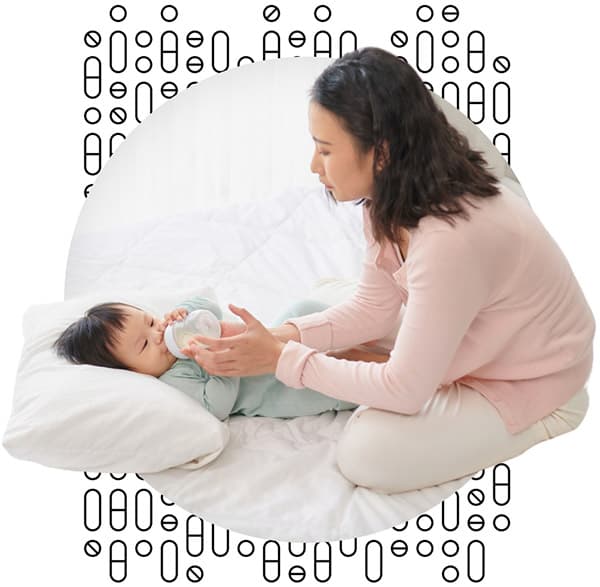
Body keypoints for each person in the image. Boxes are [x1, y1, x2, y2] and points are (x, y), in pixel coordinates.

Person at [182, 47, 595, 494]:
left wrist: (282, 359)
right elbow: (373, 308)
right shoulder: (394, 197)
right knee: (306, 312)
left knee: (366, 454)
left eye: (325, 150)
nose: (313, 166)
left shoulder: (450, 239)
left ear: (381, 153)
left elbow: (403, 391)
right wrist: (280, 338)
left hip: (534, 376)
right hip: (475, 330)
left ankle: (554, 414)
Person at [53, 296, 368, 421]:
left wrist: (184, 313)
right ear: (134, 373)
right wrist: (218, 367)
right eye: (144, 346)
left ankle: (358, 333)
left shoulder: (176, 330)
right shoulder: (174, 379)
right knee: (324, 387)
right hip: (277, 386)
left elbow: (209, 307)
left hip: (270, 341)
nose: (158, 336)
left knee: (303, 308)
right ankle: (363, 368)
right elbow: (216, 407)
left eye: (150, 322)